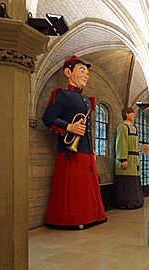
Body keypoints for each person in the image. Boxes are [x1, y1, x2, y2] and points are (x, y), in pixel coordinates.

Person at [42, 55, 107, 227]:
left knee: (85, 187)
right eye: (82, 70)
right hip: (69, 151)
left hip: (85, 150)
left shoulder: (86, 100)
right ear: (68, 72)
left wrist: (92, 149)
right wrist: (68, 127)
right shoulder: (61, 95)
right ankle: (72, 219)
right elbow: (48, 118)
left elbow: (88, 129)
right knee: (73, 188)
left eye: (87, 72)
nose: (86, 75)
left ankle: (90, 216)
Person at [113, 107, 144, 209]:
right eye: (131, 113)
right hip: (127, 159)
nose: (133, 115)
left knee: (134, 179)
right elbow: (121, 143)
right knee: (126, 180)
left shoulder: (134, 127)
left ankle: (136, 201)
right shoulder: (122, 127)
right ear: (126, 114)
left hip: (134, 159)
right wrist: (123, 159)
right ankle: (126, 202)